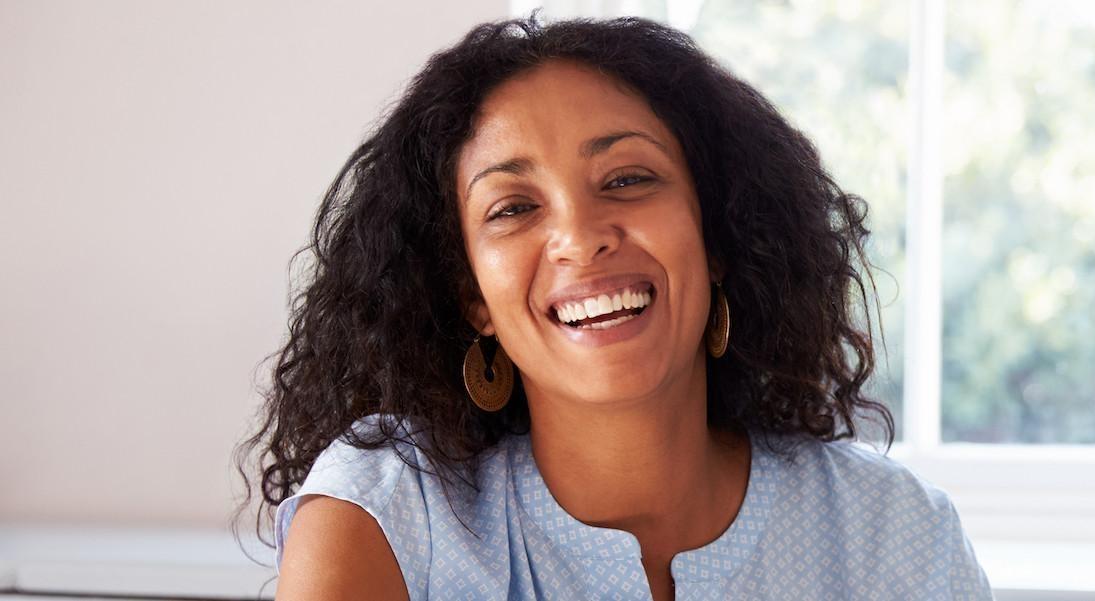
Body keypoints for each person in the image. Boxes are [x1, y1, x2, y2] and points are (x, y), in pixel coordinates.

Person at [238, 15, 991, 600]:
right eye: (512, 207)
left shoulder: (894, 532)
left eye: (628, 178)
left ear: (718, 233)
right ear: (472, 297)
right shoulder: (390, 511)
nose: (579, 236)